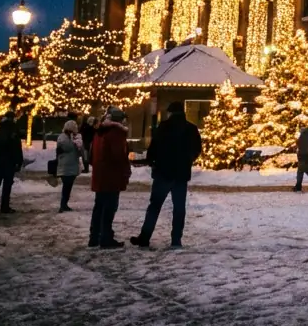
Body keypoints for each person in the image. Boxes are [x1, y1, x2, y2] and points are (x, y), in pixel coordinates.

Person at [131, 101, 202, 248]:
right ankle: (176, 240)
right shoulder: (191, 128)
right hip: (181, 174)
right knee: (179, 208)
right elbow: (197, 149)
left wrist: (152, 161)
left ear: (170, 113)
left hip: (163, 172)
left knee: (155, 206)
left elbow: (154, 147)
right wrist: (188, 160)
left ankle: (145, 237)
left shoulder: (163, 127)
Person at [89, 108, 131, 248]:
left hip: (100, 175)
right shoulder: (116, 133)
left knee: (99, 206)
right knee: (109, 207)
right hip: (112, 176)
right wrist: (125, 170)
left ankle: (94, 237)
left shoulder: (99, 132)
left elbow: (91, 154)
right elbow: (118, 156)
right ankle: (106, 238)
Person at [0, 111, 23, 214]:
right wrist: (19, 162)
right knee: (7, 186)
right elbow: (17, 148)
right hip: (9, 162)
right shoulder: (13, 132)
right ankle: (4, 206)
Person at [55, 120, 84, 212]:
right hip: (66, 166)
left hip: (71, 165)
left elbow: (79, 151)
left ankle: (64, 204)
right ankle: (63, 205)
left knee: (68, 187)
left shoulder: (71, 138)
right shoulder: (63, 138)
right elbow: (68, 147)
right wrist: (74, 141)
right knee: (66, 186)